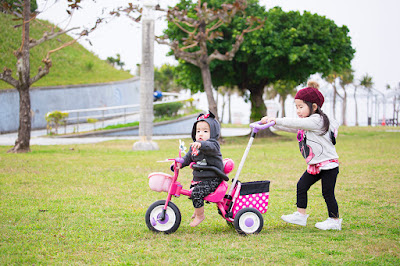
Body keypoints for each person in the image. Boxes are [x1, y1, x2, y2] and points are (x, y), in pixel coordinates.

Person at [261, 81, 342, 230]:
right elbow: (290, 127)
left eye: (301, 107)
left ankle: (334, 220)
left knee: (327, 192)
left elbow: (293, 122)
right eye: (296, 107)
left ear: (314, 107)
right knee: (302, 186)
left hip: (328, 164)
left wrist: (275, 119)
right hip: (315, 164)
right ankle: (301, 215)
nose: (298, 110)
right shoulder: (306, 123)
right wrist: (271, 124)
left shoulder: (317, 121)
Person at [175, 111, 224, 227]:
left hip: (213, 179)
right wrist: (179, 164)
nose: (201, 134)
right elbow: (187, 158)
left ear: (213, 133)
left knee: (197, 193)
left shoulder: (213, 145)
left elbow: (210, 146)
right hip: (200, 179)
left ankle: (200, 216)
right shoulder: (194, 146)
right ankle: (198, 209)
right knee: (192, 191)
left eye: (205, 131)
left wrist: (202, 145)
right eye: (198, 131)